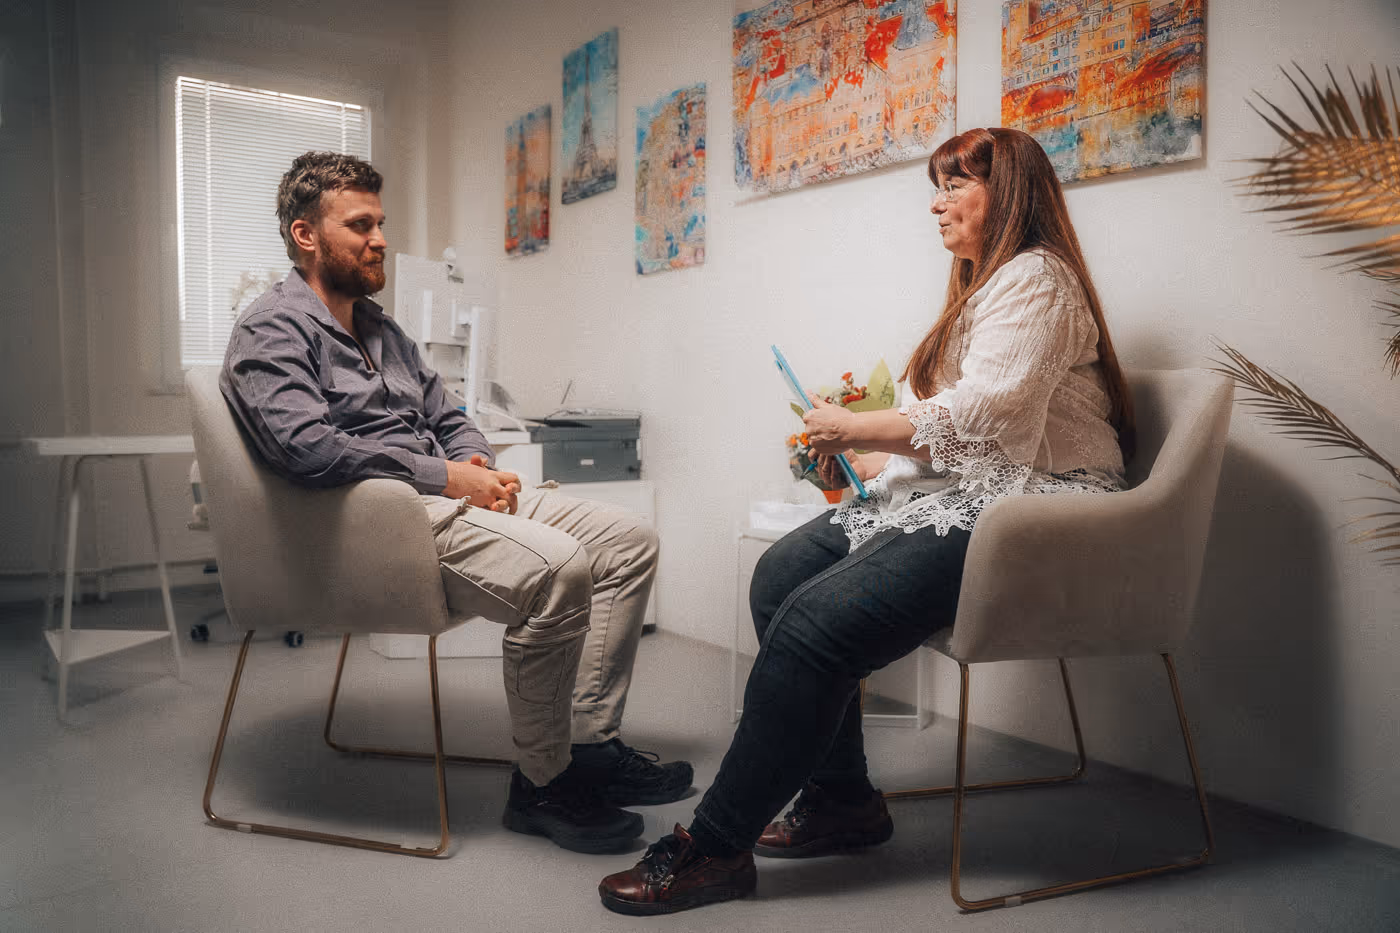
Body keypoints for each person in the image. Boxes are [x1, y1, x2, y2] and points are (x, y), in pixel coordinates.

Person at [597, 126, 1135, 914]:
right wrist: (874, 461)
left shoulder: (1040, 279)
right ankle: (844, 800)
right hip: (986, 485)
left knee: (818, 620)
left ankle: (714, 845)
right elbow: (949, 427)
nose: (937, 202)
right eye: (937, 185)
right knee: (781, 574)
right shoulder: (984, 288)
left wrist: (861, 427)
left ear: (1010, 193)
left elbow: (989, 415)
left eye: (956, 185)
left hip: (1045, 506)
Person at [221, 151, 692, 855]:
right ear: (305, 235)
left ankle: (589, 743)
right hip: (377, 522)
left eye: (380, 222)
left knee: (628, 542)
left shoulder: (383, 329)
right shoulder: (269, 329)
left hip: (441, 497)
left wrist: (475, 461)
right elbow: (307, 450)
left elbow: (450, 411)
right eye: (360, 225)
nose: (381, 238)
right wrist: (443, 476)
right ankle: (543, 783)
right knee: (560, 566)